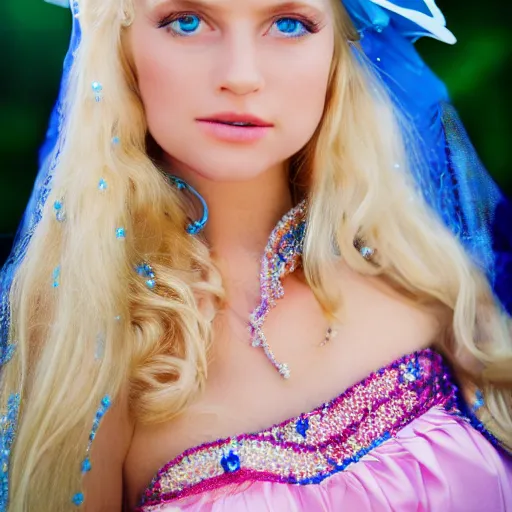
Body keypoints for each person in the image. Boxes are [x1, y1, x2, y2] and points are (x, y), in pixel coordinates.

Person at [0, 0, 511, 510]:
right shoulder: (91, 342)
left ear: (337, 51)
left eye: (289, 23)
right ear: (119, 50)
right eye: (187, 21)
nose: (241, 76)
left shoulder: (426, 279)